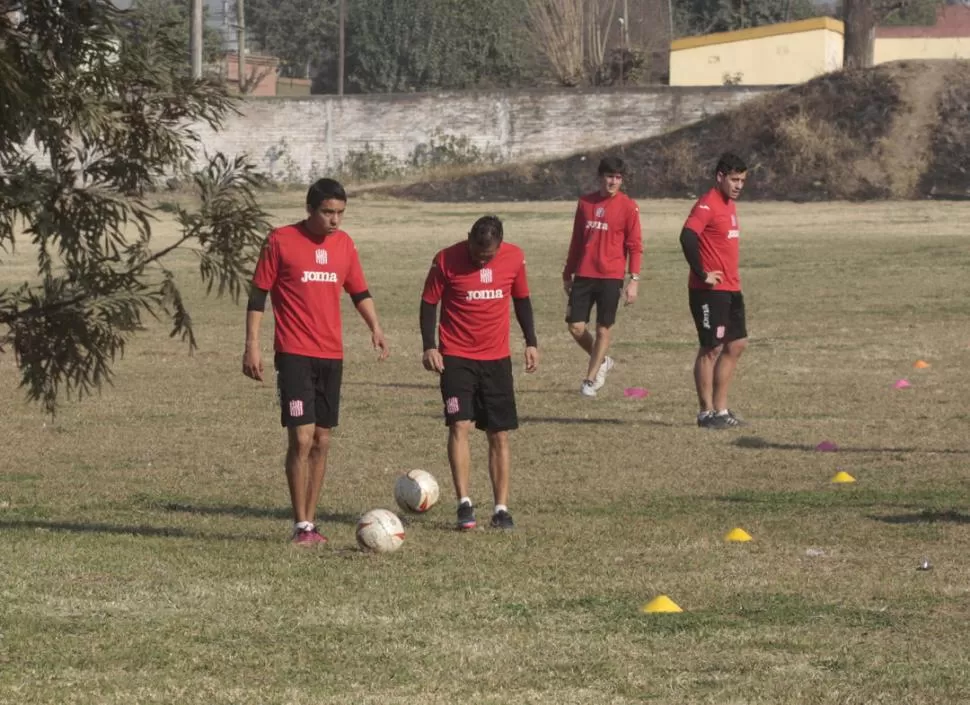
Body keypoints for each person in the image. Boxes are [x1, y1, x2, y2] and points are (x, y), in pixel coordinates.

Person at [243, 178, 390, 545]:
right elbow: (258, 296)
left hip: (331, 354)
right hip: (294, 353)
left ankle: (311, 522)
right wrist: (252, 345)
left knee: (323, 439)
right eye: (327, 212)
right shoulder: (280, 240)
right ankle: (301, 524)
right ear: (309, 210)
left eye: (340, 213)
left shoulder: (344, 245)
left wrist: (375, 326)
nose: (335, 220)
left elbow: (359, 290)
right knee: (302, 437)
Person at [420, 215, 538, 531]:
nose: (480, 260)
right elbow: (429, 302)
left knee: (498, 434)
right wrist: (429, 345)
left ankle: (501, 508)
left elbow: (522, 300)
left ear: (500, 245)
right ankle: (464, 504)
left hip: (497, 360)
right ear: (468, 238)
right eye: (476, 252)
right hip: (456, 357)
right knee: (460, 425)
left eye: (488, 256)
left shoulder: (514, 257)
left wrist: (531, 342)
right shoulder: (445, 259)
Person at [562, 156, 643, 397]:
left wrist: (634, 280)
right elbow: (577, 241)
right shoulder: (585, 203)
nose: (613, 181)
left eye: (618, 177)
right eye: (610, 176)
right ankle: (603, 361)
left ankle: (589, 379)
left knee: (603, 329)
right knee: (575, 327)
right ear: (600, 177)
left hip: (611, 277)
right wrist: (568, 272)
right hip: (585, 273)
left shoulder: (629, 206)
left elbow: (635, 246)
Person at [679, 152, 748, 430]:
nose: (739, 185)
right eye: (734, 179)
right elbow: (686, 236)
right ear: (720, 177)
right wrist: (701, 273)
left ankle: (721, 410)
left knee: (737, 344)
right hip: (709, 291)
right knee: (711, 348)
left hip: (731, 288)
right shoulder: (708, 204)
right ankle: (705, 413)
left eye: (742, 180)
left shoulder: (729, 204)